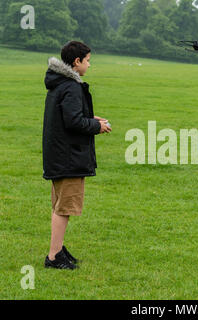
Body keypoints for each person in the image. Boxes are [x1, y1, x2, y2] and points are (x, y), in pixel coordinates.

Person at [42, 41, 112, 270]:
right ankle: (53, 257)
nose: (89, 65)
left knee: (60, 206)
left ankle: (58, 249)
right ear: (76, 61)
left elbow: (69, 117)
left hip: (59, 155)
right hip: (68, 157)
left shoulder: (59, 83)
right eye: (88, 60)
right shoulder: (70, 86)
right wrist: (95, 127)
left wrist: (93, 120)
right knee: (64, 208)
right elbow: (73, 122)